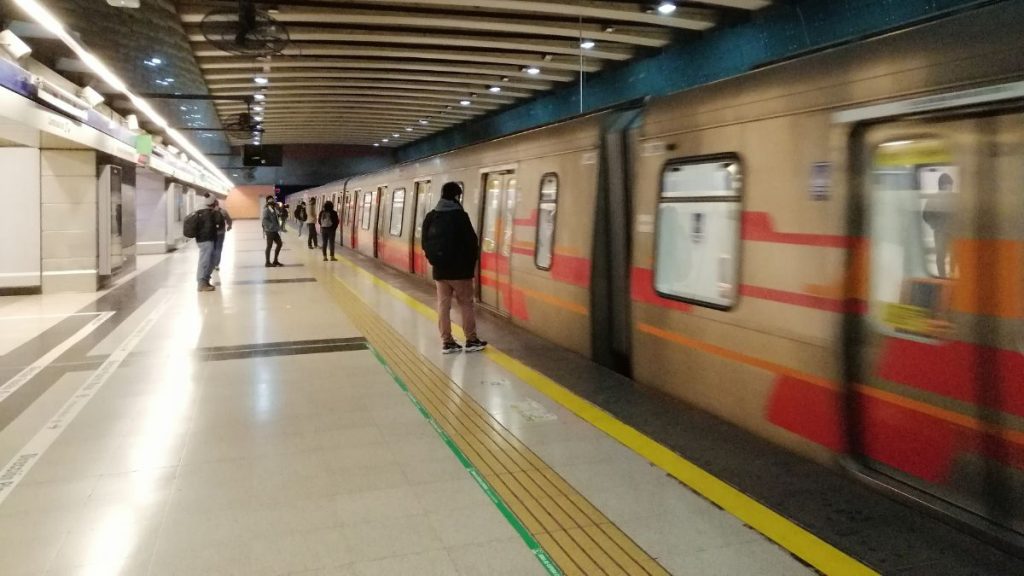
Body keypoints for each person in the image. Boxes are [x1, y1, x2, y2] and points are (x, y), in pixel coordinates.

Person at [421, 182, 487, 354]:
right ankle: (471, 340)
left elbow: (424, 243)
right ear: (457, 196)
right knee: (466, 304)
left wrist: (434, 261)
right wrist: (470, 265)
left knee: (443, 305)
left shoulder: (431, 216)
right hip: (460, 272)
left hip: (440, 271)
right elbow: (472, 243)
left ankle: (447, 342)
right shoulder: (460, 216)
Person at [923, 173, 954, 277]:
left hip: (943, 232)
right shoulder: (934, 199)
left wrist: (934, 225)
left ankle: (946, 276)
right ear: (943, 186)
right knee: (944, 256)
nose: (950, 189)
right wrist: (936, 225)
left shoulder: (933, 199)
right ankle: (944, 277)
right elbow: (926, 215)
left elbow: (925, 216)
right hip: (944, 232)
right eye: (949, 186)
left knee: (943, 256)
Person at [195, 195, 225, 292]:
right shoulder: (209, 213)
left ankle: (205, 280)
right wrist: (216, 210)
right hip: (206, 240)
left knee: (209, 260)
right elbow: (220, 221)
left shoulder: (200, 211)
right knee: (205, 261)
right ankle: (201, 283)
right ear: (213, 203)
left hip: (203, 239)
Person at [262, 195, 284, 267]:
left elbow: (277, 217)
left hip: (275, 230)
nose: (272, 201)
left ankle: (275, 260)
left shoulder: (274, 209)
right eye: (270, 200)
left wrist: (279, 213)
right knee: (269, 246)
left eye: (272, 199)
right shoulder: (266, 209)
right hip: (269, 231)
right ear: (267, 201)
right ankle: (267, 262)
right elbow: (264, 220)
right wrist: (271, 226)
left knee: (280, 244)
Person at [212, 199, 232, 272]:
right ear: (218, 204)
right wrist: (229, 226)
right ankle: (217, 265)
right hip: (221, 232)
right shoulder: (223, 211)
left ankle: (212, 264)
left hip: (212, 233)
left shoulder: (209, 211)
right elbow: (229, 219)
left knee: (212, 248)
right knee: (219, 248)